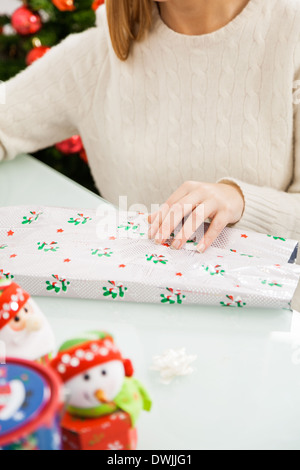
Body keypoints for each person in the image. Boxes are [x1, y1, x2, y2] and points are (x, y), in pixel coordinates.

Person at [0, 1, 299, 286]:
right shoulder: (98, 55)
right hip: (136, 320)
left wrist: (240, 201)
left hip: (276, 326)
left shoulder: (290, 35)